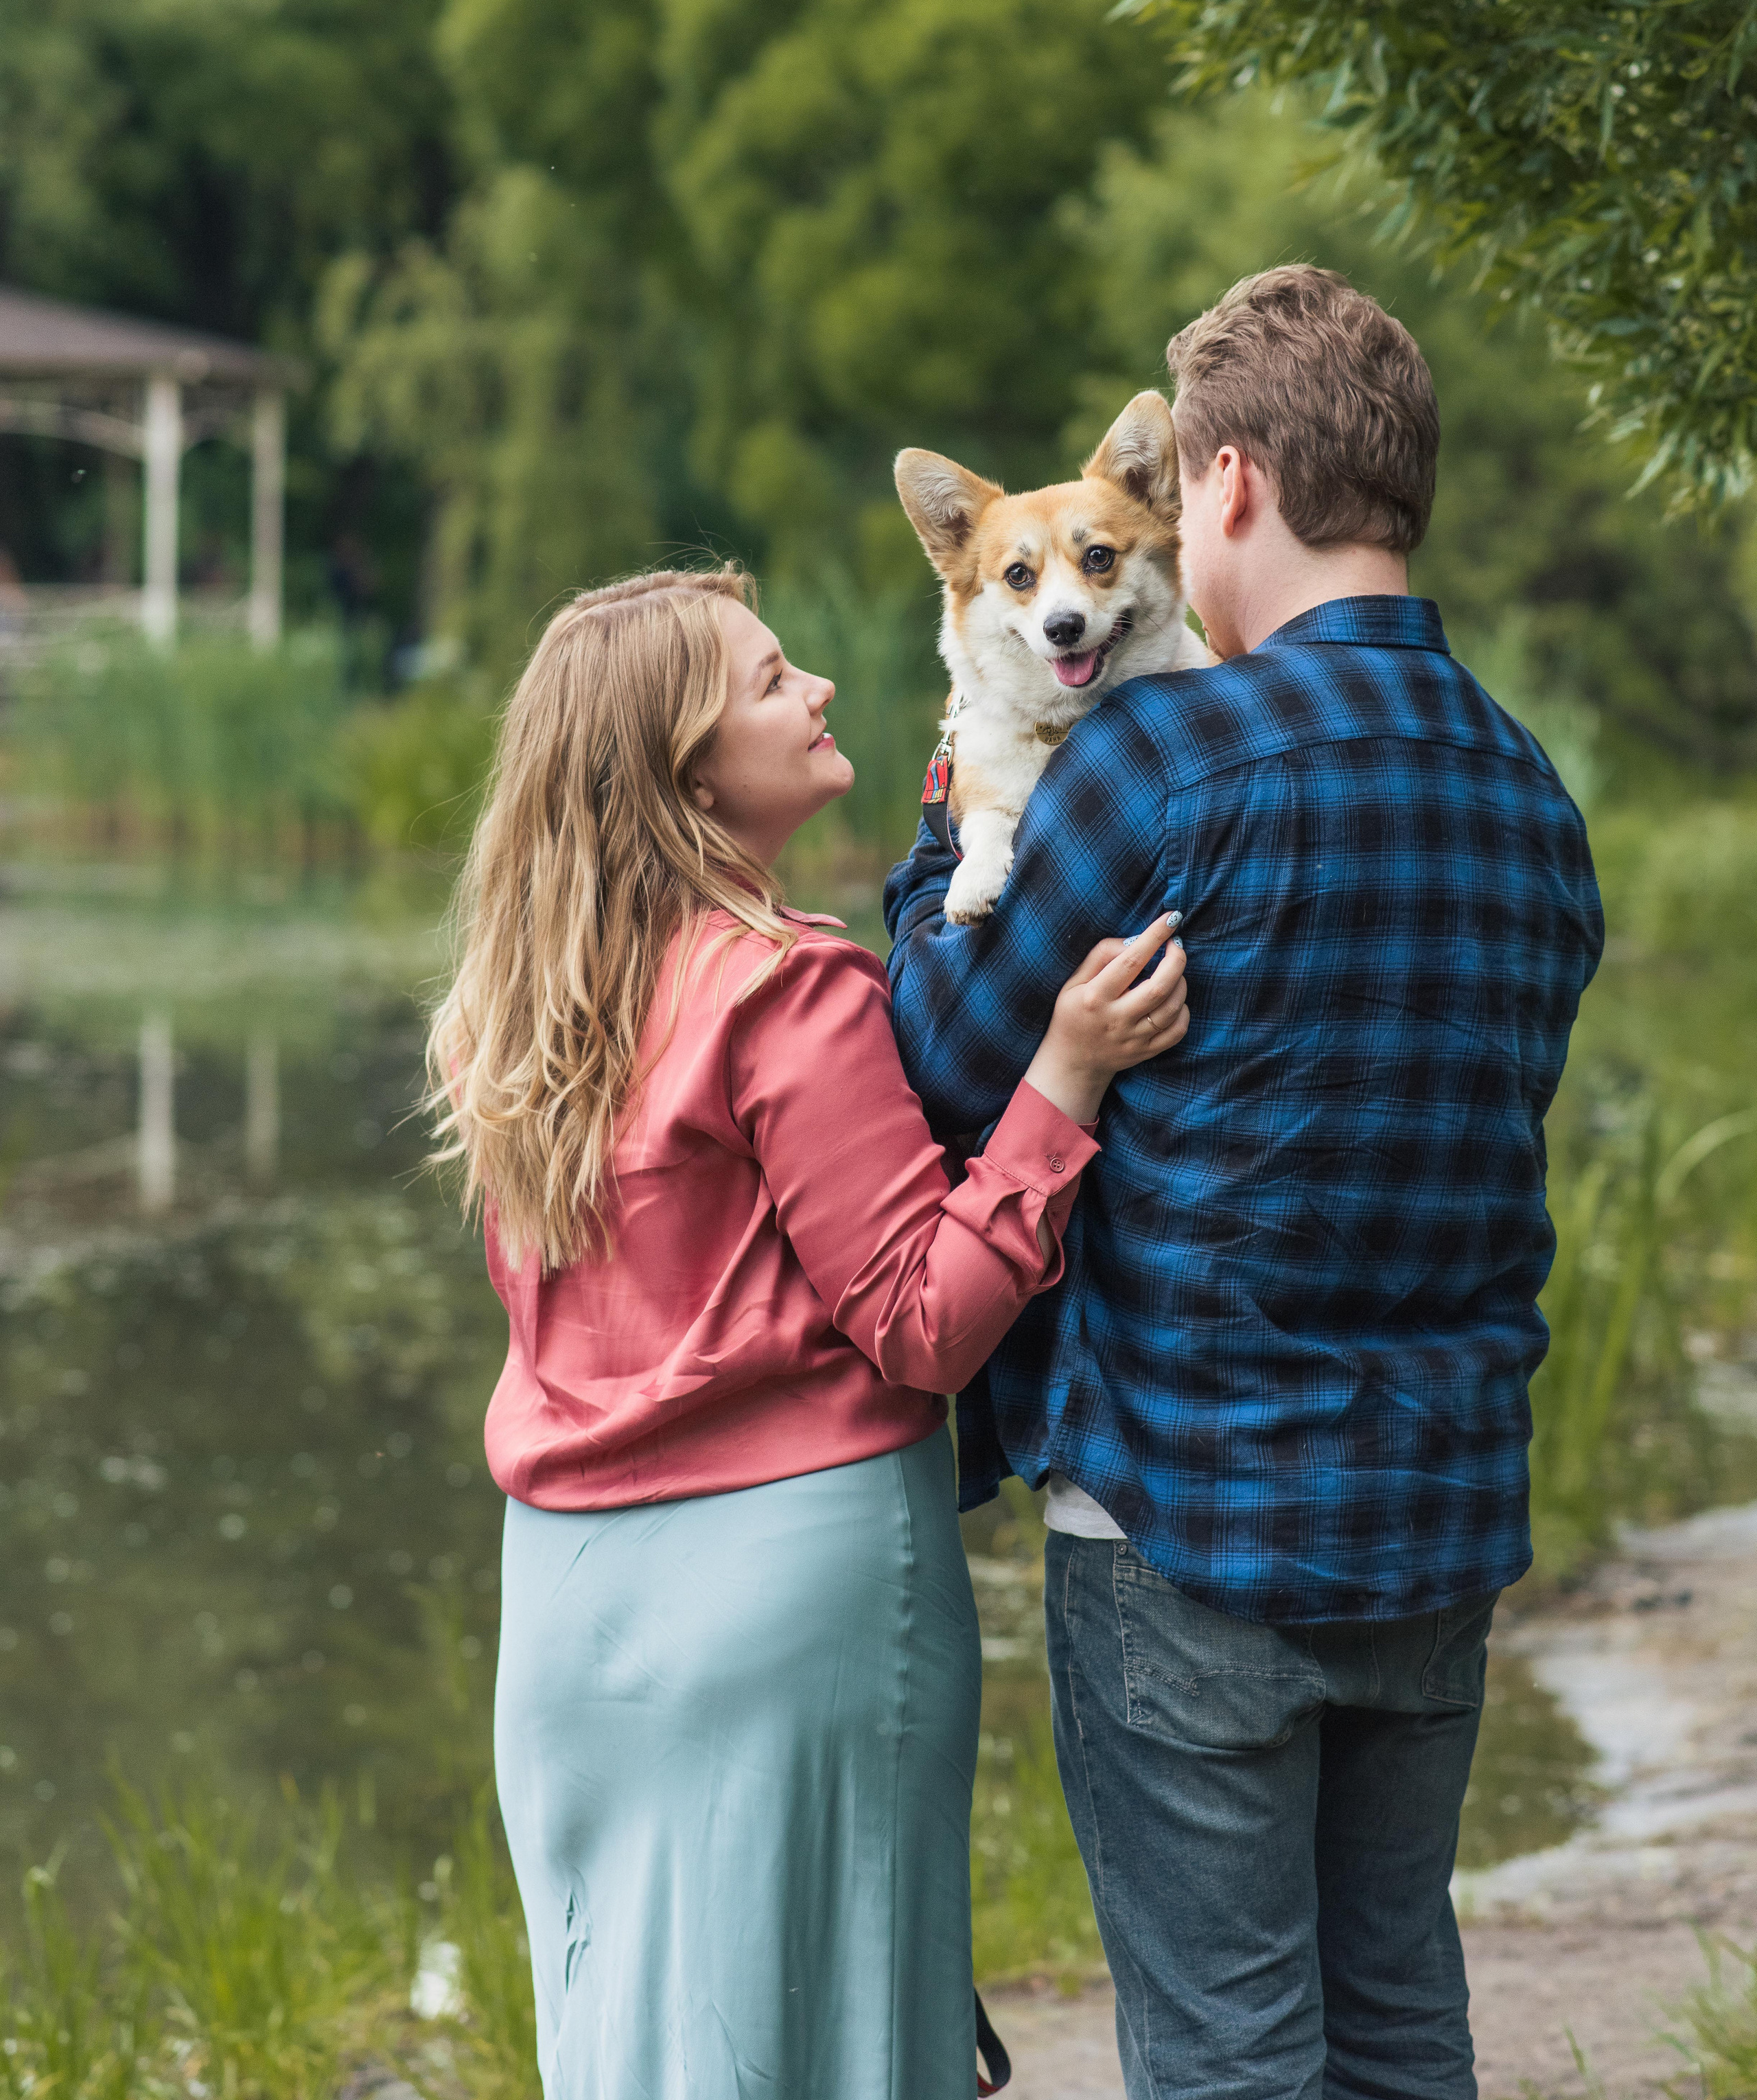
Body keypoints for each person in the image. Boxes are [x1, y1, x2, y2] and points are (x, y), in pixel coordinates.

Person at [883, 266, 1605, 2100]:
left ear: (1219, 491)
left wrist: (929, 847)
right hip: (1438, 1516)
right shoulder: (1530, 792)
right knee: (1396, 2024)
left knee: (1227, 2055)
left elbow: (944, 1058)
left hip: (1186, 1519)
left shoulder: (1156, 755)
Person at [426, 566, 1191, 2100]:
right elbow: (923, 1321)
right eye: (773, 683)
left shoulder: (519, 1008)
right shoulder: (783, 990)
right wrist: (1061, 1081)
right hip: (784, 1590)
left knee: (640, 2044)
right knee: (828, 2037)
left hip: (570, 1610)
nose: (820, 689)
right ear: (690, 768)